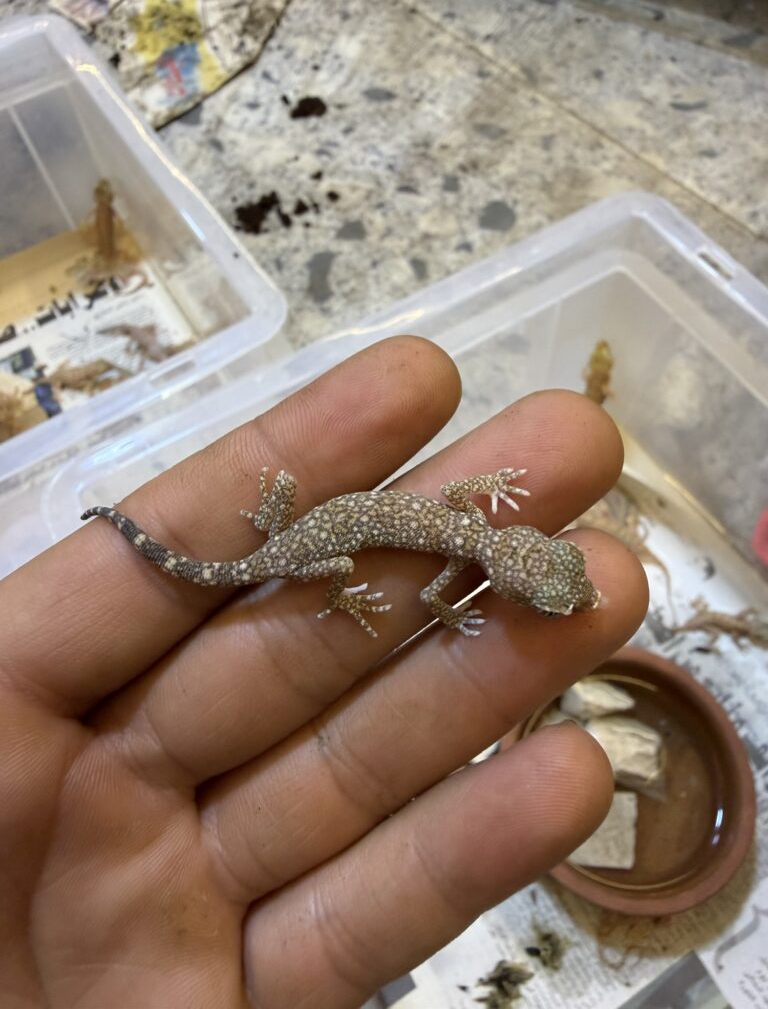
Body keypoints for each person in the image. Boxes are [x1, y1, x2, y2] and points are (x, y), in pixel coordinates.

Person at [0, 337, 647, 1008]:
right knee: (330, 566)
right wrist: (441, 614)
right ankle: (291, 566)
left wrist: (490, 492)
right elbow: (432, 598)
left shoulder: (466, 521)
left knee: (299, 542)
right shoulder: (464, 553)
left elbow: (457, 498)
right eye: (540, 601)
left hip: (316, 523)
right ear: (512, 574)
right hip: (319, 550)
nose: (549, 605)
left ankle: (258, 521)